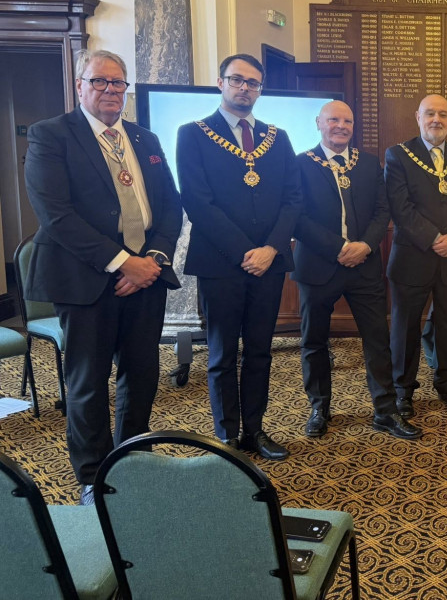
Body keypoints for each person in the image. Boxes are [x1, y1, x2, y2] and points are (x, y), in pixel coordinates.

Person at [24, 49, 182, 504]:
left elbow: (170, 206)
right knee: (88, 383)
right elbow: (56, 215)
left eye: (118, 83)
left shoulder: (145, 138)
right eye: (100, 81)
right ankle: (94, 477)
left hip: (146, 276)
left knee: (141, 374)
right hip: (85, 280)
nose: (111, 90)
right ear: (80, 85)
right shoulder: (51, 135)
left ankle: (132, 462)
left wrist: (152, 260)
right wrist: (122, 262)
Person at [176, 53, 302, 460]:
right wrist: (244, 252)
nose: (244, 87)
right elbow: (198, 201)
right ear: (221, 82)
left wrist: (270, 249)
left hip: (269, 263)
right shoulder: (193, 134)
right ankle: (227, 436)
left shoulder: (277, 137)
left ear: (260, 89)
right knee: (222, 355)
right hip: (220, 263)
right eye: (237, 79)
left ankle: (255, 431)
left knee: (260, 351)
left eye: (253, 82)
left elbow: (293, 199)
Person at [292, 100, 421, 440]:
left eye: (347, 121)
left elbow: (383, 210)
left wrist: (365, 245)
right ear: (318, 123)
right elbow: (296, 217)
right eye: (333, 119)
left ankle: (385, 411)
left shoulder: (367, 163)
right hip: (318, 266)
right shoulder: (300, 164)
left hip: (364, 265)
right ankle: (319, 407)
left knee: (378, 339)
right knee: (314, 341)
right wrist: (338, 248)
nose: (341, 126)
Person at [384, 94, 447, 418]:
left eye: (442, 114)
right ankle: (402, 390)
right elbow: (400, 207)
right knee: (405, 328)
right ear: (418, 117)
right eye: (430, 114)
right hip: (412, 258)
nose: (436, 119)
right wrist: (434, 238)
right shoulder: (398, 155)